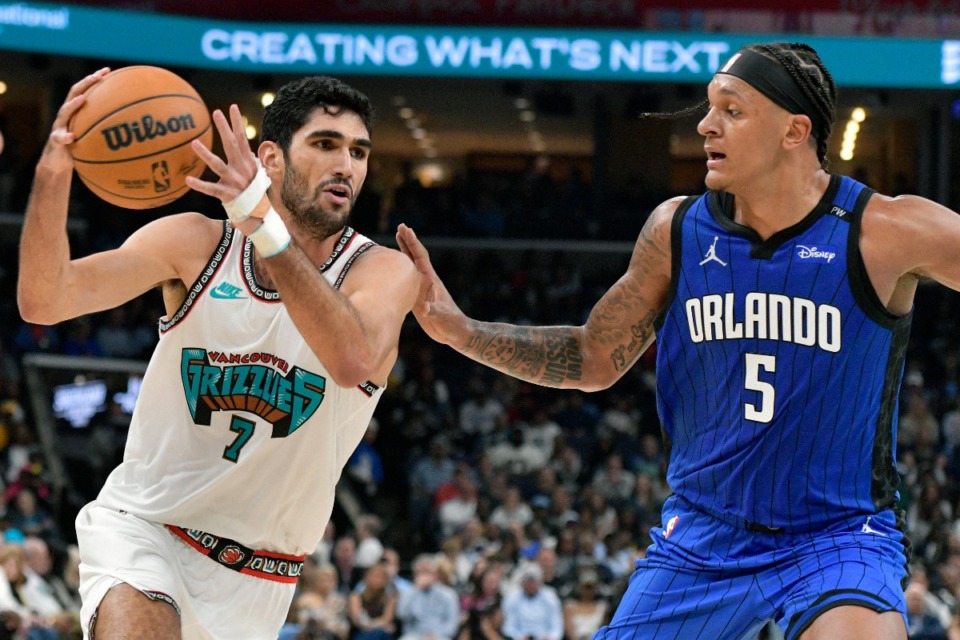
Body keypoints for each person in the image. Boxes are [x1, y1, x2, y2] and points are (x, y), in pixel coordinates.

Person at [395, 40, 960, 639]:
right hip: (703, 536)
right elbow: (592, 357)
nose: (707, 125)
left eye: (732, 110)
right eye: (709, 107)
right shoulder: (677, 230)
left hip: (838, 536)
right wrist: (460, 332)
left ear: (795, 131)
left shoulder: (886, 230)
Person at [18, 69, 418, 639]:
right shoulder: (196, 243)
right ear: (271, 159)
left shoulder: (380, 272)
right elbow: (44, 300)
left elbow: (351, 359)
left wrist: (264, 226)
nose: (346, 165)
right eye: (325, 144)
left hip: (262, 575)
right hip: (147, 526)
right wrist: (54, 172)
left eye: (358, 151)